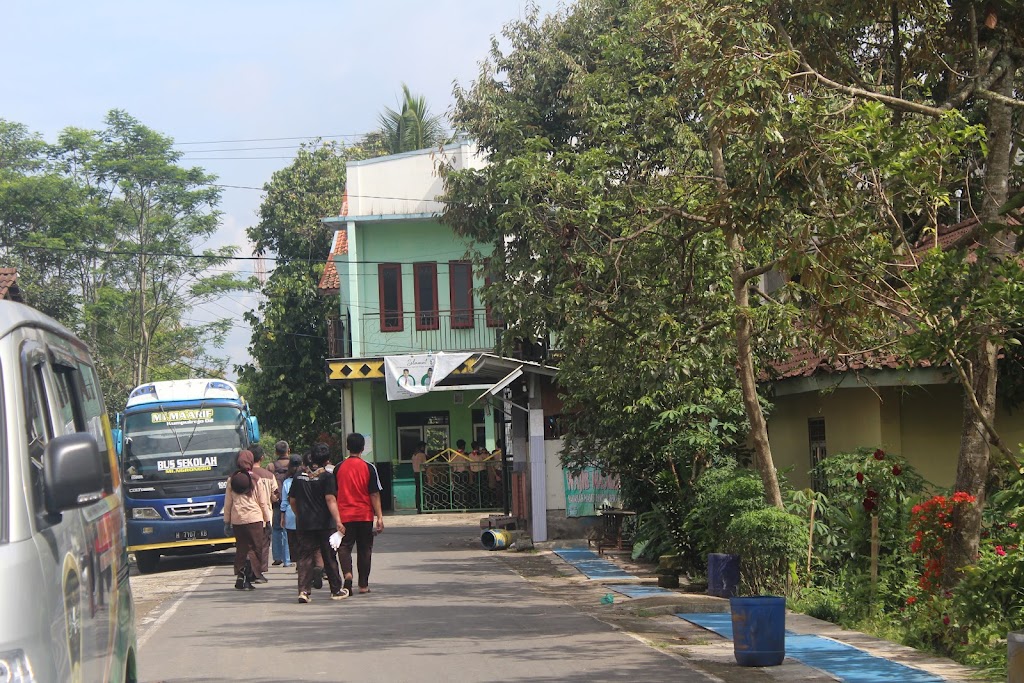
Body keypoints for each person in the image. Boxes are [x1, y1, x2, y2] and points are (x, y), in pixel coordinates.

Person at [288, 442, 347, 603]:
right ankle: (335, 590)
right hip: (324, 523)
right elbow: (330, 499)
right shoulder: (327, 477)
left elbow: (292, 500)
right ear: (327, 460)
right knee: (329, 557)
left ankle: (303, 591)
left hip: (304, 523)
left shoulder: (298, 477)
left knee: (305, 557)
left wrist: (299, 515)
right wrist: (338, 521)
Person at [335, 433, 384, 595]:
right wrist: (379, 517)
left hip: (344, 515)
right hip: (364, 515)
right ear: (363, 448)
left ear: (347, 447)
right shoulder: (369, 468)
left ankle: (347, 574)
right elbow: (374, 494)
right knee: (364, 549)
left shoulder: (338, 468)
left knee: (344, 546)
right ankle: (363, 585)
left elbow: (333, 494)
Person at [223, 450, 271, 590]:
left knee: (241, 548)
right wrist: (267, 521)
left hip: (237, 520)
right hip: (254, 519)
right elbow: (262, 502)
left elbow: (228, 503)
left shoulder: (231, 479)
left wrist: (227, 521)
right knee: (255, 549)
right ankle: (248, 577)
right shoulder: (256, 479)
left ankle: (240, 574)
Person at [250, 446, 279, 580]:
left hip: (246, 516)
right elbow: (274, 496)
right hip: (265, 515)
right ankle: (260, 570)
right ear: (262, 458)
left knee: (249, 544)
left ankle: (250, 569)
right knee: (264, 544)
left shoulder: (242, 475)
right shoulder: (269, 475)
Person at [270, 441, 293, 567]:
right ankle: (288, 559)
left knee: (277, 529)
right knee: (289, 530)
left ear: (276, 452)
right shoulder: (294, 463)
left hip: (277, 501)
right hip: (291, 502)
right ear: (288, 451)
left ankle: (277, 557)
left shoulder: (271, 466)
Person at [279, 453, 303, 572]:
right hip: (303, 513)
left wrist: (282, 516)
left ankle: (293, 561)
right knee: (303, 540)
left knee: (292, 541)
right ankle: (303, 562)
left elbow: (284, 501)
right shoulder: (304, 479)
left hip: (290, 513)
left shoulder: (287, 482)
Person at [410, 441, 428, 512]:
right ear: (421, 447)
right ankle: (423, 505)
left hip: (416, 473)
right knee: (423, 490)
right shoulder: (422, 455)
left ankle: (418, 506)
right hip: (422, 473)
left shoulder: (414, 455)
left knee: (417, 490)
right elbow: (425, 465)